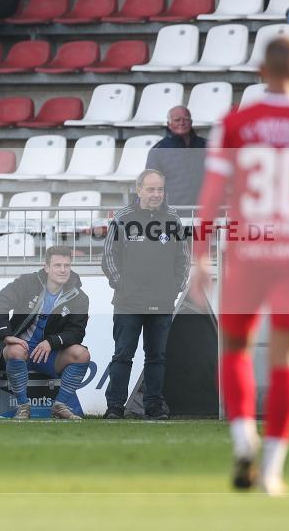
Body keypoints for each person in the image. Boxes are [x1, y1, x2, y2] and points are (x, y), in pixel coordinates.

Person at [188, 36, 289, 495]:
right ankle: (273, 468)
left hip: (247, 250)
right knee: (287, 360)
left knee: (235, 350)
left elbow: (211, 197)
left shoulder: (235, 123)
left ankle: (243, 438)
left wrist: (201, 255)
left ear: (260, 71)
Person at [101, 169, 192, 421]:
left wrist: (174, 288)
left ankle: (153, 407)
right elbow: (109, 257)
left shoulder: (173, 219)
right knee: (123, 355)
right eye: (150, 189)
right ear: (138, 189)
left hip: (161, 301)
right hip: (128, 301)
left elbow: (183, 259)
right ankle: (114, 407)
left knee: (156, 357)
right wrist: (122, 285)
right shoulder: (123, 217)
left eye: (160, 189)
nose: (156, 194)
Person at [0, 246, 91, 420]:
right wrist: (6, 335)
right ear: (46, 267)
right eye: (57, 265)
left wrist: (51, 342)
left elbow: (76, 332)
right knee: (14, 349)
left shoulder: (79, 296)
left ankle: (60, 406)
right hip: (21, 349)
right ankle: (23, 406)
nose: (62, 270)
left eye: (67, 265)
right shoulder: (27, 282)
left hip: (48, 354)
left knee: (82, 354)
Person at [143, 106, 207, 210]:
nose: (181, 123)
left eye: (186, 119)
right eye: (177, 120)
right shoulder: (158, 151)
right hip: (175, 212)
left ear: (191, 122)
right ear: (169, 124)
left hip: (206, 209)